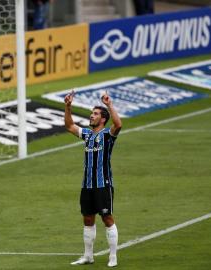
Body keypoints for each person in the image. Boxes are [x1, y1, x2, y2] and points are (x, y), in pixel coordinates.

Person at [64, 90, 122, 267]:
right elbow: (69, 126)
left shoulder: (107, 135)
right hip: (87, 185)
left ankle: (113, 256)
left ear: (103, 119)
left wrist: (109, 105)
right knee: (88, 219)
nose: (92, 116)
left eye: (95, 114)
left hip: (103, 184)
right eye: (92, 113)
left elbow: (118, 125)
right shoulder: (87, 135)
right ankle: (88, 256)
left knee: (107, 219)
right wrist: (68, 107)